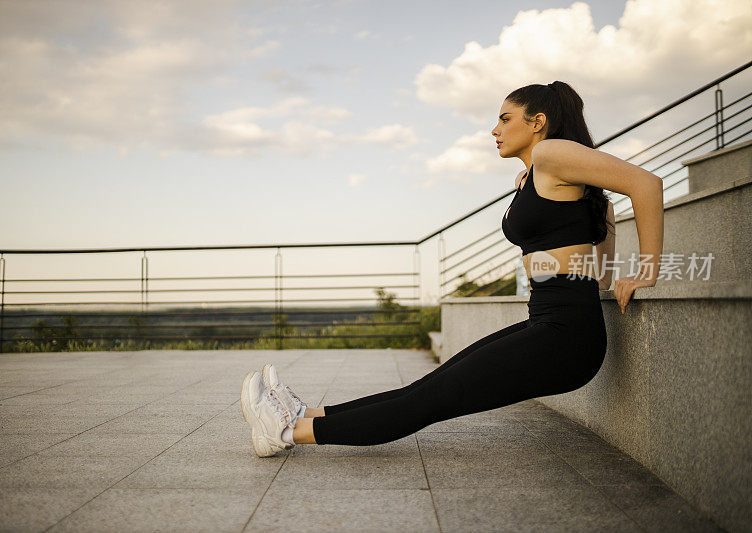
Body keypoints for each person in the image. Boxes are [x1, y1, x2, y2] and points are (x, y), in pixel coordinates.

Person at [240, 81, 664, 457]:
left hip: (568, 336)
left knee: (428, 401)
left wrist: (647, 271)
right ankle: (306, 413)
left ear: (538, 122)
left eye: (504, 118)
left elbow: (646, 184)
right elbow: (602, 213)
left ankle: (287, 431)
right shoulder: (535, 175)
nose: (494, 130)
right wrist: (604, 276)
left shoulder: (554, 152)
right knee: (426, 388)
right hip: (549, 321)